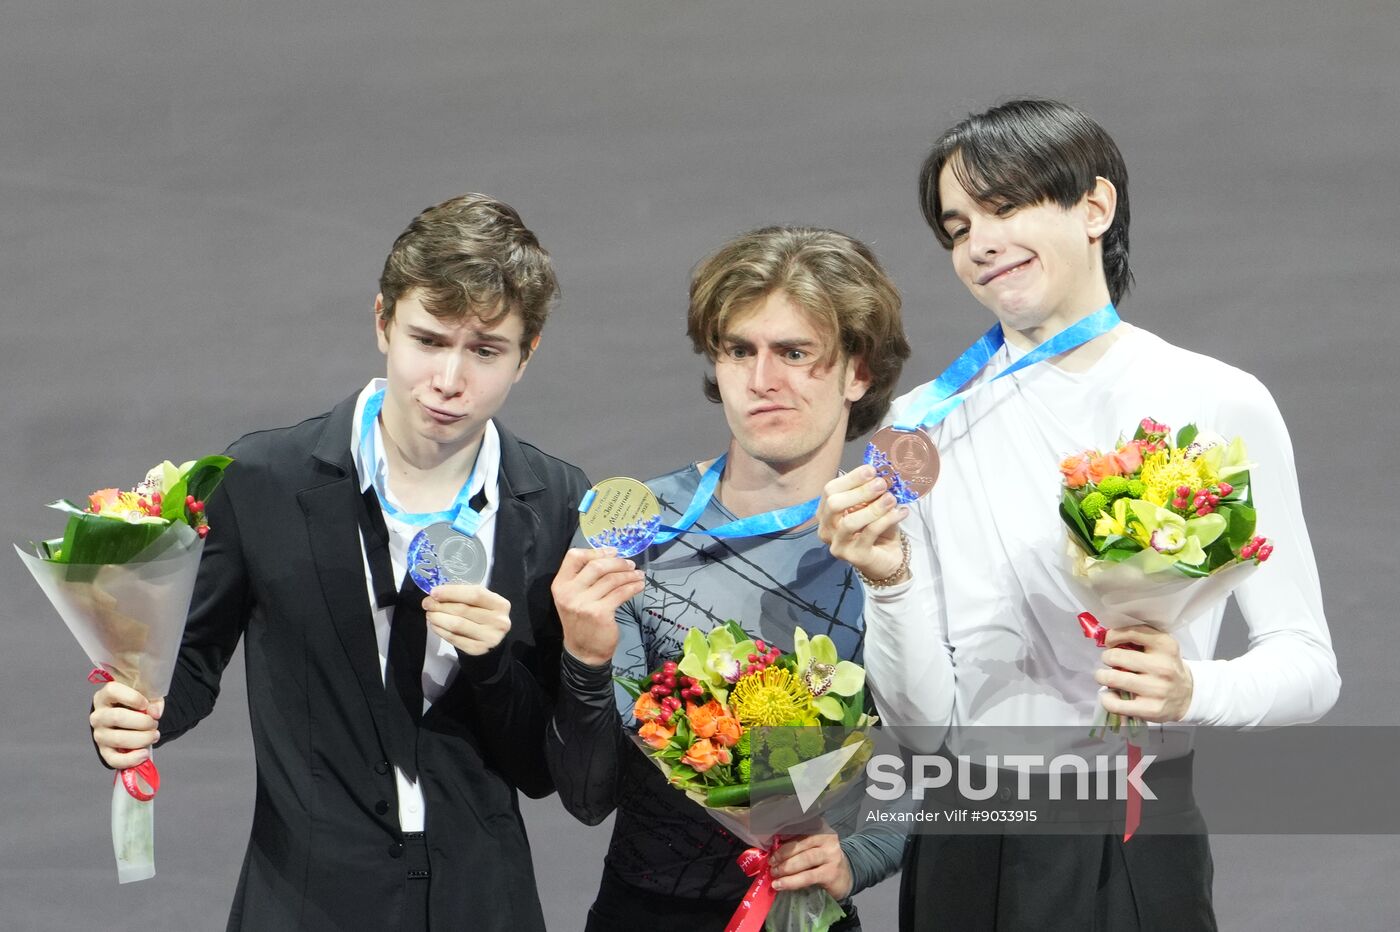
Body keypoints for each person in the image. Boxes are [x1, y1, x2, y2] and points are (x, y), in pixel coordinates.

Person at [818, 99, 1340, 931]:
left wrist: (1192, 689)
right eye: (957, 228)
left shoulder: (1219, 400)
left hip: (1138, 826)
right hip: (968, 832)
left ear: (1094, 207)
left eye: (1004, 207)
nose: (979, 243)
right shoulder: (919, 429)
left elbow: (1309, 665)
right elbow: (921, 728)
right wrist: (888, 581)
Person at [87, 194, 588, 931]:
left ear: (527, 353)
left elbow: (541, 769)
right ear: (382, 321)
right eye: (427, 339)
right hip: (304, 902)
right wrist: (135, 713)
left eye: (485, 351)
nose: (450, 379)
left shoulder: (554, 502)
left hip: (483, 902)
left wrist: (490, 665)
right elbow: (190, 664)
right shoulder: (262, 480)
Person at [545, 226, 912, 929]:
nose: (761, 380)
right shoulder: (633, 529)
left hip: (809, 916)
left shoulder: (893, 547)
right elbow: (588, 800)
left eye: (794, 353)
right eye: (740, 350)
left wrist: (858, 857)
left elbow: (947, 762)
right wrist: (583, 663)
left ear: (858, 373)